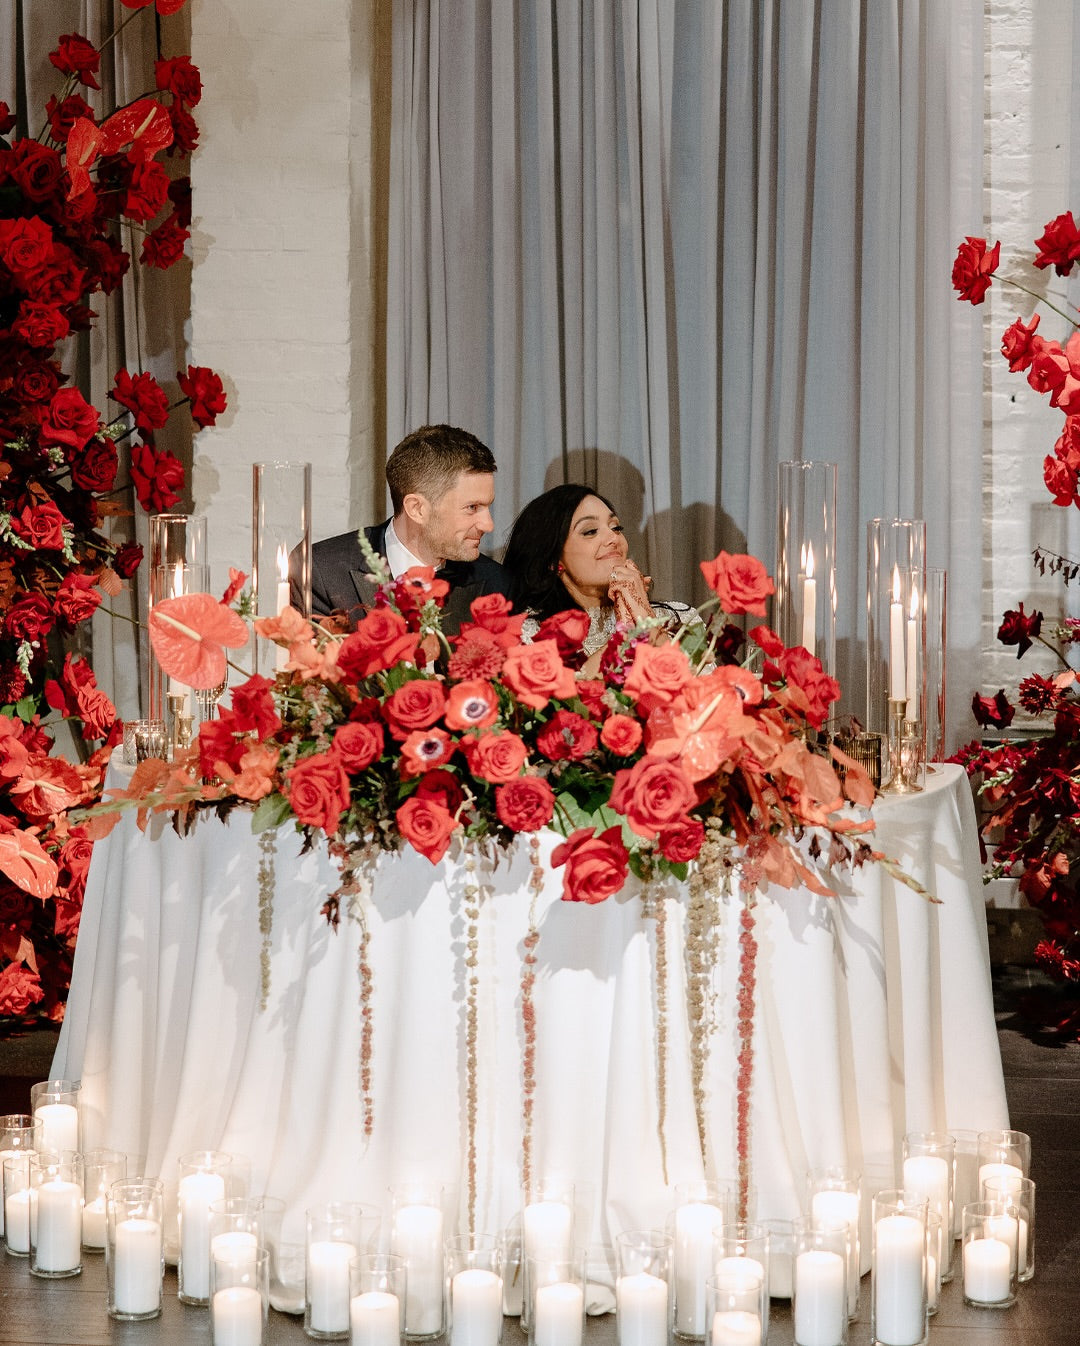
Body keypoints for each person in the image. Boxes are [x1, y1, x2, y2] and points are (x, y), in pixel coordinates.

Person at [309, 424, 510, 633]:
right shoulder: (323, 573)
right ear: (417, 509)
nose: (488, 525)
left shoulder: (496, 585)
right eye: (472, 508)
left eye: (487, 506)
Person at [502, 483, 702, 674]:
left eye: (616, 528)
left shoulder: (680, 618)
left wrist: (645, 617)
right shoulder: (530, 634)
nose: (613, 538)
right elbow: (570, 703)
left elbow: (707, 697)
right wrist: (628, 632)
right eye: (590, 531)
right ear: (553, 560)